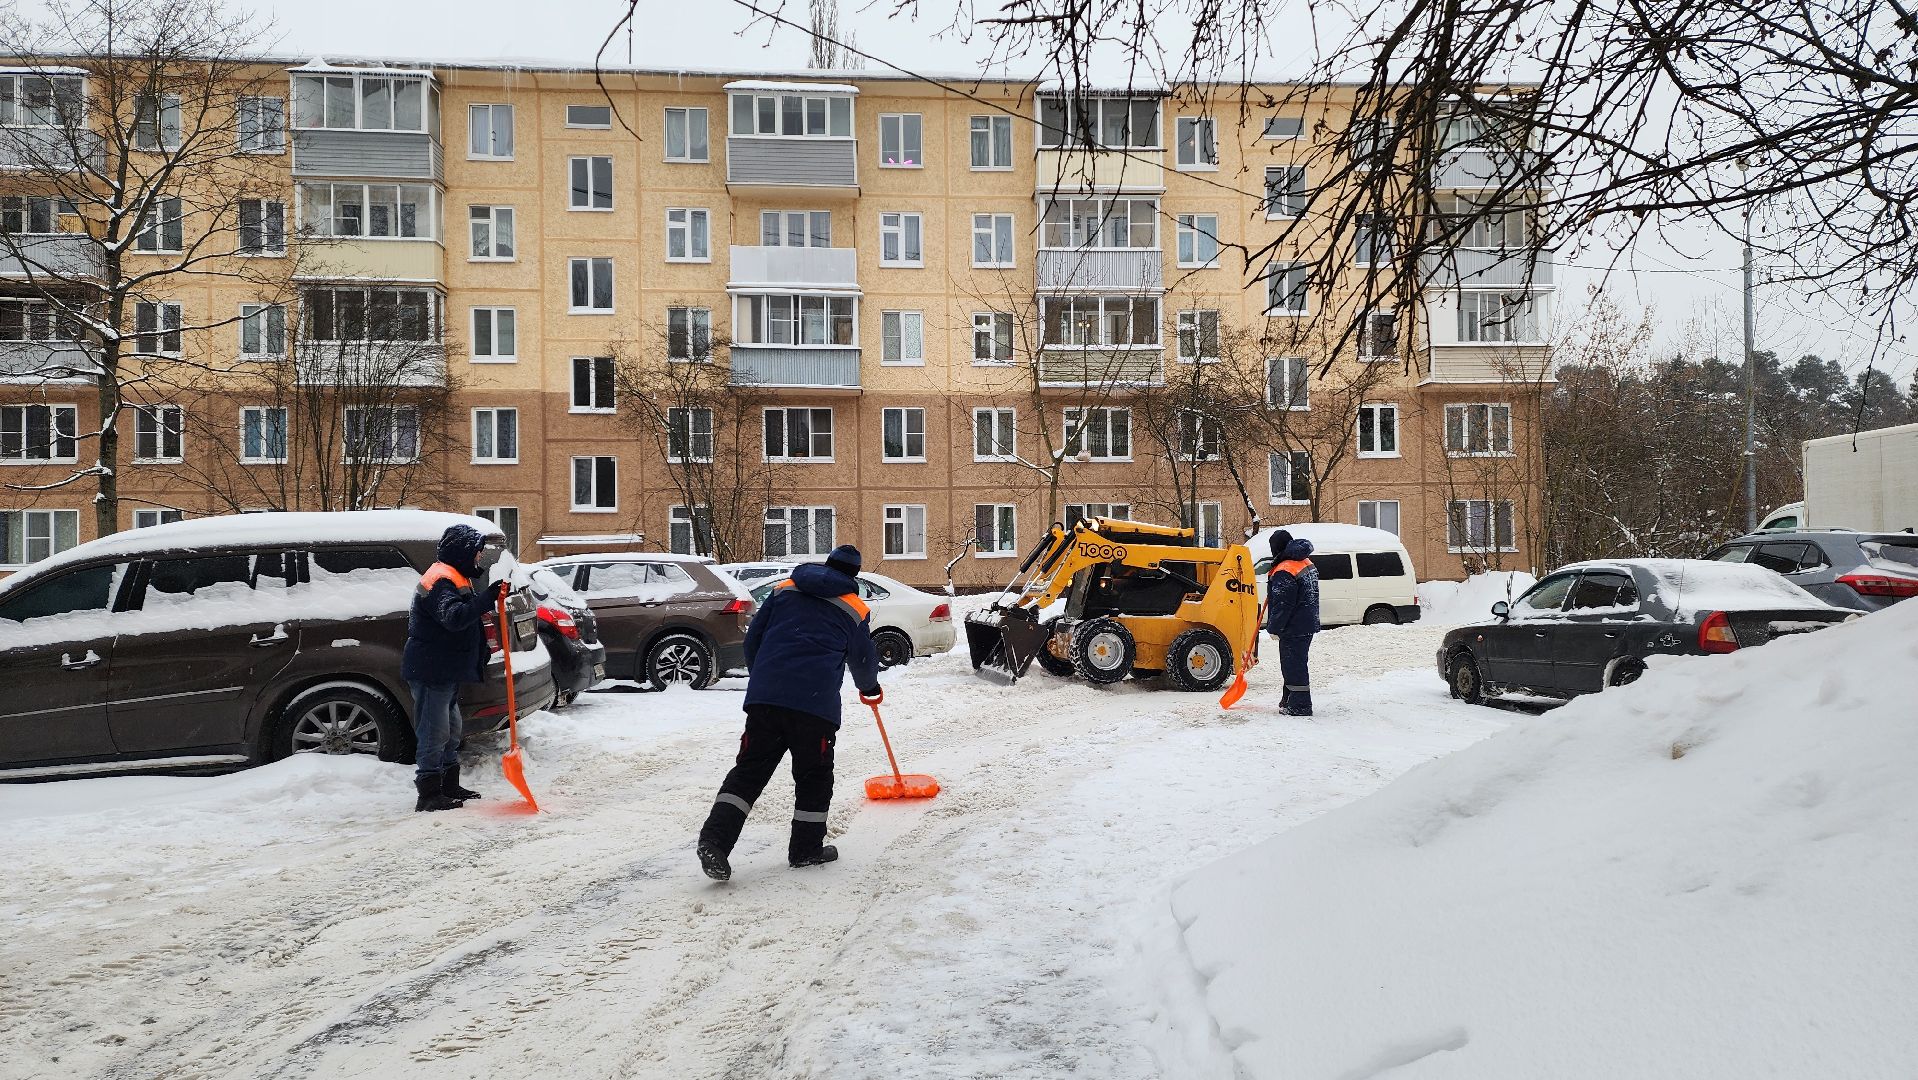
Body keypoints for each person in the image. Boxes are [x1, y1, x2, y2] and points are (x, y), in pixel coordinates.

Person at [697, 544, 882, 880]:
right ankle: (806, 850)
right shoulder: (853, 608)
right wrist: (869, 688)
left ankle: (715, 841)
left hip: (766, 700)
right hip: (815, 708)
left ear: (827, 563)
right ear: (854, 575)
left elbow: (754, 638)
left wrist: (766, 678)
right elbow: (864, 660)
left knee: (749, 770)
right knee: (814, 776)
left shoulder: (784, 590)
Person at [401, 523, 505, 813]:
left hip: (444, 669)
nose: (479, 558)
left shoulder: (455, 575)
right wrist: (486, 599)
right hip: (431, 669)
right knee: (434, 731)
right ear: (461, 553)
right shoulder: (440, 581)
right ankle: (429, 793)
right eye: (476, 553)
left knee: (451, 729)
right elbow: (454, 617)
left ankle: (448, 784)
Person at [1264, 530, 1321, 717]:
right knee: (1294, 663)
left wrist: (1274, 627)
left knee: (1293, 665)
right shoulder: (1304, 561)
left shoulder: (1285, 569)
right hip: (1306, 622)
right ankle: (1289, 700)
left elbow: (1283, 603)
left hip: (1293, 625)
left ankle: (1300, 706)